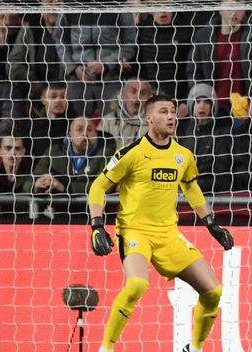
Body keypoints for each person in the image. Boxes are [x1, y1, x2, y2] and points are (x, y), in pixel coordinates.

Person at [87, 94, 234, 352]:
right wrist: (97, 225)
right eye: (164, 111)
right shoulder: (131, 153)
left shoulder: (183, 155)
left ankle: (194, 348)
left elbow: (191, 187)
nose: (171, 116)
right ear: (149, 118)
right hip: (135, 232)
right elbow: (99, 186)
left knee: (213, 292)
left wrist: (210, 223)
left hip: (168, 235)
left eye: (174, 111)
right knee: (137, 284)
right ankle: (106, 349)